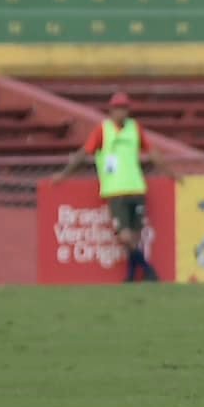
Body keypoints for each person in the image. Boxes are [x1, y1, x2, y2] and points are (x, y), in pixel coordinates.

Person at [48, 92, 165, 282]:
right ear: (111, 111)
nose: (122, 112)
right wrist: (64, 174)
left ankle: (130, 276)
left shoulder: (135, 129)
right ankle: (148, 270)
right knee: (124, 236)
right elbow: (83, 153)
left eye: (125, 108)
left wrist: (169, 172)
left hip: (136, 188)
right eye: (118, 108)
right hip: (115, 191)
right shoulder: (103, 130)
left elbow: (152, 152)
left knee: (135, 237)